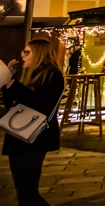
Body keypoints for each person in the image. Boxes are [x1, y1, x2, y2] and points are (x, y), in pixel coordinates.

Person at [2, 38, 65, 206]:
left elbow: (41, 105)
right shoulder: (29, 74)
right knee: (23, 193)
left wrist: (13, 84)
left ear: (39, 54)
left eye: (27, 52)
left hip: (35, 137)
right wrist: (8, 81)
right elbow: (12, 104)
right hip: (19, 136)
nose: (22, 55)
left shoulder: (52, 75)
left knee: (28, 193)